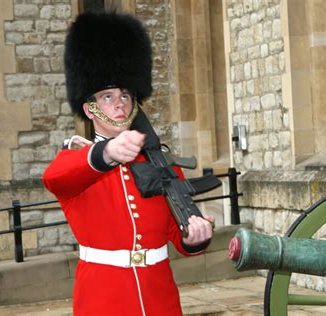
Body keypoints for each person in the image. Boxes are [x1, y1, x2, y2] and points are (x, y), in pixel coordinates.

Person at [42, 11, 214, 315]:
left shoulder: (161, 162)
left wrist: (194, 238)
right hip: (104, 298)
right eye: (107, 96)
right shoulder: (80, 162)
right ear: (90, 108)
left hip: (160, 297)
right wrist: (106, 153)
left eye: (125, 95)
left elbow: (177, 234)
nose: (119, 103)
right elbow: (55, 178)